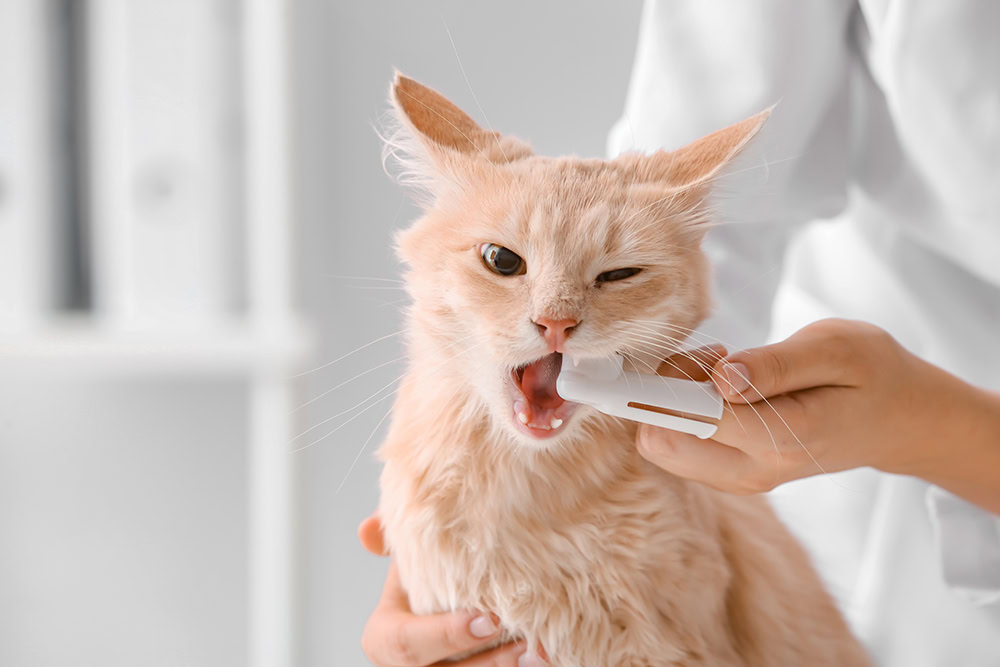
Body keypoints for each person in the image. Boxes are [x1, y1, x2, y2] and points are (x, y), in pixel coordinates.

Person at [360, 1, 1000, 664]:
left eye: (613, 274)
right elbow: (708, 230)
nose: (555, 316)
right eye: (503, 263)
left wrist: (924, 423)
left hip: (913, 440)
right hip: (880, 453)